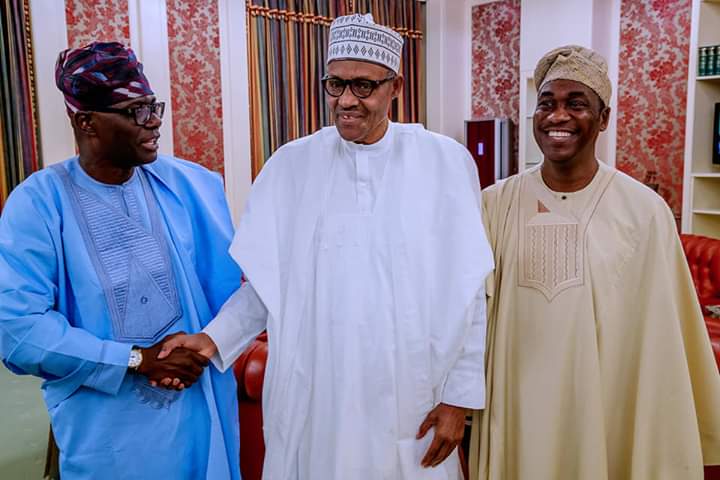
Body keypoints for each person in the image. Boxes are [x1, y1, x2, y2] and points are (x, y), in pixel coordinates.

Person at [160, 13, 494, 480]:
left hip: (410, 394)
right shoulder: (290, 167)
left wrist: (459, 397)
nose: (345, 101)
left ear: (395, 87)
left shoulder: (443, 163)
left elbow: (468, 292)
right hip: (317, 392)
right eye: (334, 84)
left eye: (363, 87)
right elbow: (266, 288)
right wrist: (212, 339)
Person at [469, 45, 720, 480]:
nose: (557, 116)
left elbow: (661, 340)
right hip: (517, 406)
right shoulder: (496, 203)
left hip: (604, 409)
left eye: (576, 103)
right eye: (546, 103)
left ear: (603, 119)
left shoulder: (644, 211)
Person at [0, 42, 242, 479]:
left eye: (153, 107)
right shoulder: (38, 204)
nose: (153, 125)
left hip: (198, 408)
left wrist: (200, 347)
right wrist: (134, 360)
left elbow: (232, 295)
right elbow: (18, 331)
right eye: (134, 112)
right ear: (86, 122)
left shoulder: (193, 187)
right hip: (107, 432)